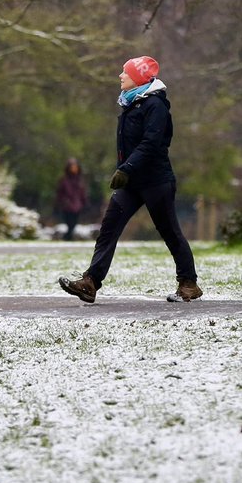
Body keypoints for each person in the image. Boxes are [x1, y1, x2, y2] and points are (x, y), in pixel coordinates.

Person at [58, 56, 202, 303]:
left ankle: (188, 284)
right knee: (109, 228)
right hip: (132, 182)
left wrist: (126, 168)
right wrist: (126, 171)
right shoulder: (132, 103)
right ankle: (90, 282)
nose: (120, 76)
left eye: (125, 72)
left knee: (170, 232)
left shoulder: (155, 106)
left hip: (156, 181)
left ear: (138, 78)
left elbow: (151, 143)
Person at [53, 157, 87, 241]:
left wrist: (84, 202)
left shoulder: (80, 180)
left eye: (75, 167)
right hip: (67, 206)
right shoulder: (64, 180)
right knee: (69, 224)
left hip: (77, 206)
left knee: (74, 224)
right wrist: (63, 202)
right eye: (72, 167)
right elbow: (60, 193)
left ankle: (67, 238)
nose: (74, 169)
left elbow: (82, 193)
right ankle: (67, 238)